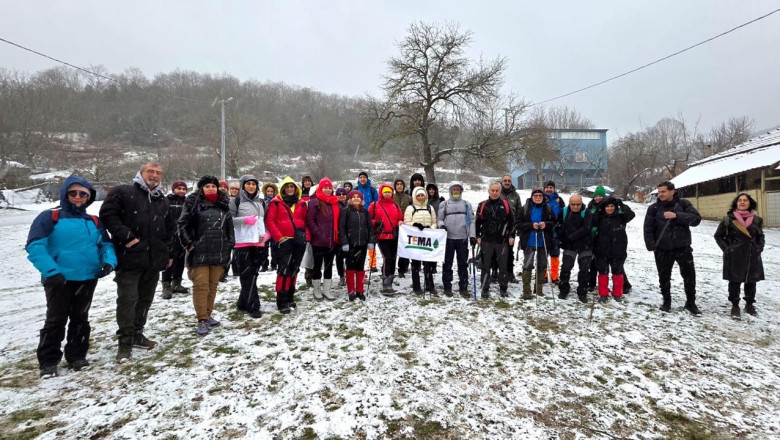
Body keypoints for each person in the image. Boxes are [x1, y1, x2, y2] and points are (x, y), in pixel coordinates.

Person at [27, 176, 117, 377]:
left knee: (80, 318)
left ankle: (77, 355)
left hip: (87, 277)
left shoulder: (93, 221)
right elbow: (35, 246)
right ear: (65, 194)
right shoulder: (50, 217)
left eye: (83, 194)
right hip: (59, 279)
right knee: (55, 320)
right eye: (73, 193)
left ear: (89, 197)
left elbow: (106, 245)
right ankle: (48, 361)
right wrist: (51, 271)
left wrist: (109, 262)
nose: (78, 197)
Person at [100, 162, 174, 361]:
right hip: (130, 257)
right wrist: (127, 236)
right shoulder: (123, 192)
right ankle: (124, 342)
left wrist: (168, 253)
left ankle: (137, 333)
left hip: (153, 259)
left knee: (145, 299)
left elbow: (169, 229)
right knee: (127, 300)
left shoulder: (162, 200)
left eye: (159, 172)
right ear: (141, 173)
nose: (155, 175)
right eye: (151, 171)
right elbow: (108, 215)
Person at [178, 176, 235, 335]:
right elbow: (182, 225)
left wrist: (230, 244)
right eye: (207, 186)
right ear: (201, 188)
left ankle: (208, 314)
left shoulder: (223, 204)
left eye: (213, 186)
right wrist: (189, 244)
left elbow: (229, 227)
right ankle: (201, 319)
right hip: (199, 252)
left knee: (213, 286)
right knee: (201, 286)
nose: (211, 188)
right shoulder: (193, 202)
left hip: (219, 251)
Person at [643, 181, 702, 315]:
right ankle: (666, 302)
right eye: (659, 192)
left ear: (672, 191)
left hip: (683, 247)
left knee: (689, 276)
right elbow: (648, 228)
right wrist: (651, 245)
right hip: (662, 249)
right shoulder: (654, 208)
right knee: (664, 276)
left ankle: (691, 303)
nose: (660, 194)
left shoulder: (683, 204)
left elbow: (696, 219)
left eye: (663, 191)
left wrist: (677, 216)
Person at [714, 193, 765, 318]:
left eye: (745, 200)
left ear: (750, 203)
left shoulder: (757, 220)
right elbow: (718, 236)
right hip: (734, 255)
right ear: (736, 203)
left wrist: (759, 248)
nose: (742, 202)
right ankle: (735, 305)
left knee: (751, 281)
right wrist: (727, 249)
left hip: (752, 255)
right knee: (734, 281)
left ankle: (749, 304)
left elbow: (760, 236)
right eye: (740, 200)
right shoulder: (729, 219)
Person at [266, 177, 307, 314]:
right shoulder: (276, 203)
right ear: (283, 188)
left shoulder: (301, 203)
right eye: (287, 187)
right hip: (284, 241)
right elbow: (271, 221)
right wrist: (280, 238)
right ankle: (281, 298)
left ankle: (290, 295)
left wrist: (305, 236)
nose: (290, 189)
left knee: (294, 269)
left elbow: (305, 220)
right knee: (284, 271)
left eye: (292, 187)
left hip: (299, 241)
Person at [230, 174, 267, 318]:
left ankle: (242, 303)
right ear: (242, 185)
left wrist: (265, 236)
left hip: (258, 243)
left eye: (253, 184)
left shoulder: (262, 203)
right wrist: (244, 220)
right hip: (242, 244)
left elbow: (264, 222)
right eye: (248, 184)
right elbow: (229, 220)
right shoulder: (236, 201)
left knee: (254, 274)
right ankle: (253, 306)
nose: (251, 186)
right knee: (247, 274)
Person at [592, 197, 635, 303]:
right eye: (607, 206)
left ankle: (617, 294)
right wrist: (599, 208)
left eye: (612, 206)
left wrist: (622, 204)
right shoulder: (600, 218)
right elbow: (592, 220)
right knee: (603, 272)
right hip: (602, 250)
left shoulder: (621, 217)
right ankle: (603, 293)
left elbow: (631, 214)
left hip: (618, 249)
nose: (610, 208)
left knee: (617, 273)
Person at [476, 183, 515, 298]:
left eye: (497, 190)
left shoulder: (505, 204)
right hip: (486, 240)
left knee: (503, 266)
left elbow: (511, 222)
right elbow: (478, 222)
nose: (494, 192)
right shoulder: (483, 205)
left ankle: (503, 288)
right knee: (485, 266)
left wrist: (511, 235)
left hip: (502, 241)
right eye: (492, 190)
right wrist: (478, 236)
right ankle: (485, 288)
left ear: (500, 192)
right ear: (489, 191)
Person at [437, 182, 476, 298]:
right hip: (448, 238)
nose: (456, 191)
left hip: (462, 238)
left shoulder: (466, 204)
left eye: (458, 190)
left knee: (463, 264)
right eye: (454, 189)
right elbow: (439, 219)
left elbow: (472, 220)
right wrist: (442, 225)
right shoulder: (445, 204)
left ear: (461, 191)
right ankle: (447, 286)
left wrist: (472, 235)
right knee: (447, 263)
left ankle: (463, 287)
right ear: (450, 191)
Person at [306, 178, 341, 301]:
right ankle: (316, 290)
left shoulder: (334, 203)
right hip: (318, 241)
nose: (327, 190)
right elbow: (310, 220)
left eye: (329, 188)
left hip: (332, 240)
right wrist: (318, 233)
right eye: (325, 188)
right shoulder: (314, 202)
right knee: (317, 265)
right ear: (320, 189)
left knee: (328, 266)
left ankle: (326, 290)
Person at [517, 189, 555, 299]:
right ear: (532, 197)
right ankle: (526, 290)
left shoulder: (548, 208)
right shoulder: (525, 208)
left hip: (543, 241)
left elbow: (554, 223)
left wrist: (546, 224)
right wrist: (530, 225)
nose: (538, 197)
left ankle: (538, 289)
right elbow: (518, 224)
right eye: (535, 195)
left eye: (540, 195)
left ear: (543, 197)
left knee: (542, 265)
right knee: (527, 265)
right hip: (529, 241)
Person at [339, 190, 376, 301]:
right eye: (353, 197)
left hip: (362, 244)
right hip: (350, 245)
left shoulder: (365, 212)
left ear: (361, 199)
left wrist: (371, 241)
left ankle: (360, 290)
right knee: (350, 267)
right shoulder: (346, 211)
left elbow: (370, 228)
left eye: (358, 197)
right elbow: (342, 228)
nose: (356, 198)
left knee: (360, 267)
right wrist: (344, 242)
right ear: (350, 199)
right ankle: (351, 290)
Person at [369, 183, 404, 295]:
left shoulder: (396, 206)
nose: (387, 194)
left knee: (393, 258)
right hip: (382, 236)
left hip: (394, 236)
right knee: (387, 257)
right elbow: (368, 220)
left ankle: (390, 280)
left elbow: (400, 219)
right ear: (381, 193)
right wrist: (375, 222)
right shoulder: (375, 205)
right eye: (385, 192)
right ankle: (385, 282)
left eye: (389, 192)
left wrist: (400, 223)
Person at [557, 194, 592, 303]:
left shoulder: (586, 212)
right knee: (566, 268)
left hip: (585, 245)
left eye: (578, 204)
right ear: (569, 203)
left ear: (581, 203)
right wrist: (561, 238)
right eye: (573, 204)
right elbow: (558, 225)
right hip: (569, 245)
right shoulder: (564, 212)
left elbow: (586, 228)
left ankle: (582, 291)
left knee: (584, 270)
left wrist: (571, 236)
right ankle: (564, 289)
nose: (576, 207)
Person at [404, 186, 438, 295]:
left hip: (427, 239)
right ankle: (417, 286)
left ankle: (429, 285)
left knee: (428, 264)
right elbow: (406, 222)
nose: (420, 197)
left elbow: (434, 221)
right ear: (415, 196)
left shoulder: (430, 208)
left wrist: (431, 228)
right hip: (415, 239)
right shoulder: (410, 208)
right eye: (418, 195)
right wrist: (414, 225)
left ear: (425, 196)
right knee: (415, 264)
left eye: (422, 195)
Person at [161, 180, 189, 299]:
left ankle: (177, 283)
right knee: (169, 261)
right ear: (174, 189)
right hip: (169, 235)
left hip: (183, 235)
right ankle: (166, 285)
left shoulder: (187, 202)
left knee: (180, 260)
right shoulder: (166, 201)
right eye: (179, 188)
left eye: (184, 189)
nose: (181, 191)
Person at [399, 173, 425, 278]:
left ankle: (417, 266)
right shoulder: (407, 193)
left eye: (419, 180)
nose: (417, 182)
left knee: (419, 246)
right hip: (409, 222)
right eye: (415, 180)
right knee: (406, 246)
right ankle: (402, 267)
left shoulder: (425, 192)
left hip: (421, 222)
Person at [500, 174, 523, 283]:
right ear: (502, 181)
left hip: (511, 228)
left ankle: (510, 273)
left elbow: (519, 212)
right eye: (505, 180)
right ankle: (495, 273)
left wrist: (517, 226)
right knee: (496, 251)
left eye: (509, 180)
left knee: (509, 252)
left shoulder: (516, 195)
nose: (507, 182)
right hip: (497, 227)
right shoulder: (497, 192)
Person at [356, 172, 379, 273]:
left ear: (367, 178)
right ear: (358, 179)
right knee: (358, 242)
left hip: (370, 218)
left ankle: (373, 264)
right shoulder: (355, 189)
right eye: (361, 177)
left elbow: (377, 203)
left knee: (371, 241)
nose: (362, 179)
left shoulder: (372, 190)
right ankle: (358, 263)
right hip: (357, 218)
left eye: (364, 177)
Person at [543, 181, 565, 284]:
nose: (549, 189)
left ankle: (555, 276)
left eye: (551, 187)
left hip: (556, 231)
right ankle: (543, 275)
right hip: (544, 230)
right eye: (547, 187)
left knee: (555, 254)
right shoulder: (540, 198)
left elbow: (564, 214)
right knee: (543, 254)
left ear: (554, 189)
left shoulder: (559, 200)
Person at [262, 182, 279, 271]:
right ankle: (264, 265)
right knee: (264, 248)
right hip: (265, 228)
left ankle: (274, 264)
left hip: (274, 228)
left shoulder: (277, 202)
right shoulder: (262, 202)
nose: (270, 193)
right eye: (268, 191)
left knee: (274, 248)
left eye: (271, 191)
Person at [335, 187, 350, 287]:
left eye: (343, 194)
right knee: (339, 258)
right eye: (339, 194)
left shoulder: (350, 205)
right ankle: (341, 276)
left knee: (350, 257)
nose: (341, 196)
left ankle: (349, 275)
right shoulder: (335, 206)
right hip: (338, 235)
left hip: (349, 234)